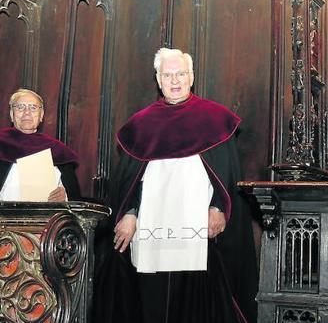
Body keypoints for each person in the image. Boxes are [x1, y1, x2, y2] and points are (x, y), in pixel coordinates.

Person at [93, 48, 258, 323]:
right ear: (158, 80)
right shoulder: (141, 125)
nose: (175, 80)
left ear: (191, 77)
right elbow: (130, 181)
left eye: (181, 73)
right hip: (151, 230)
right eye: (167, 75)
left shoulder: (214, 119)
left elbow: (227, 173)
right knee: (150, 299)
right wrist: (130, 213)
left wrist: (218, 207)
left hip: (199, 231)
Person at [0, 88, 81, 201]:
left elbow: (75, 197)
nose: (27, 112)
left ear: (41, 115)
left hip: (46, 217)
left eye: (33, 108)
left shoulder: (57, 150)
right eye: (20, 107)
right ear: (12, 114)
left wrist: (65, 197)